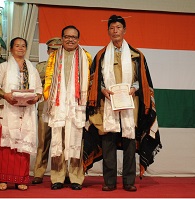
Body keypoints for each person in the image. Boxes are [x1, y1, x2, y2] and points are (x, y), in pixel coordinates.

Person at [87, 15, 162, 192]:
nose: (115, 31)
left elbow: (143, 80)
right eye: (112, 28)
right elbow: (94, 80)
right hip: (108, 104)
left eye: (118, 27)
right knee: (108, 142)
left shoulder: (137, 55)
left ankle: (129, 181)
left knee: (129, 141)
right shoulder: (101, 55)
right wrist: (103, 89)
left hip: (130, 103)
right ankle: (109, 181)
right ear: (108, 31)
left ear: (124, 30)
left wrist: (135, 88)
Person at [0, 37, 43, 191]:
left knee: (22, 146)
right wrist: (6, 95)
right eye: (17, 46)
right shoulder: (3, 67)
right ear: (11, 49)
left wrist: (36, 98)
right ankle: (3, 179)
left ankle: (21, 179)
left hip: (26, 112)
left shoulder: (32, 69)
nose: (21, 48)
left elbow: (39, 90)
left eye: (23, 46)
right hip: (8, 111)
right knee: (6, 146)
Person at [43, 25, 92, 190]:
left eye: (74, 37)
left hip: (77, 106)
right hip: (59, 105)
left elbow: (90, 82)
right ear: (62, 38)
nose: (70, 39)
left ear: (78, 39)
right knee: (58, 140)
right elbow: (48, 82)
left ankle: (76, 178)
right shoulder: (54, 57)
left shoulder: (86, 57)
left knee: (77, 141)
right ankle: (57, 177)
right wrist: (50, 102)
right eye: (67, 36)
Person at [32, 37, 62, 184]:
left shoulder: (67, 65)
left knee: (62, 141)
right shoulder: (41, 67)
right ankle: (38, 172)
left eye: (57, 50)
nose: (54, 53)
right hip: (45, 106)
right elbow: (36, 84)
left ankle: (62, 173)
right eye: (52, 50)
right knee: (43, 141)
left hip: (62, 107)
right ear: (48, 50)